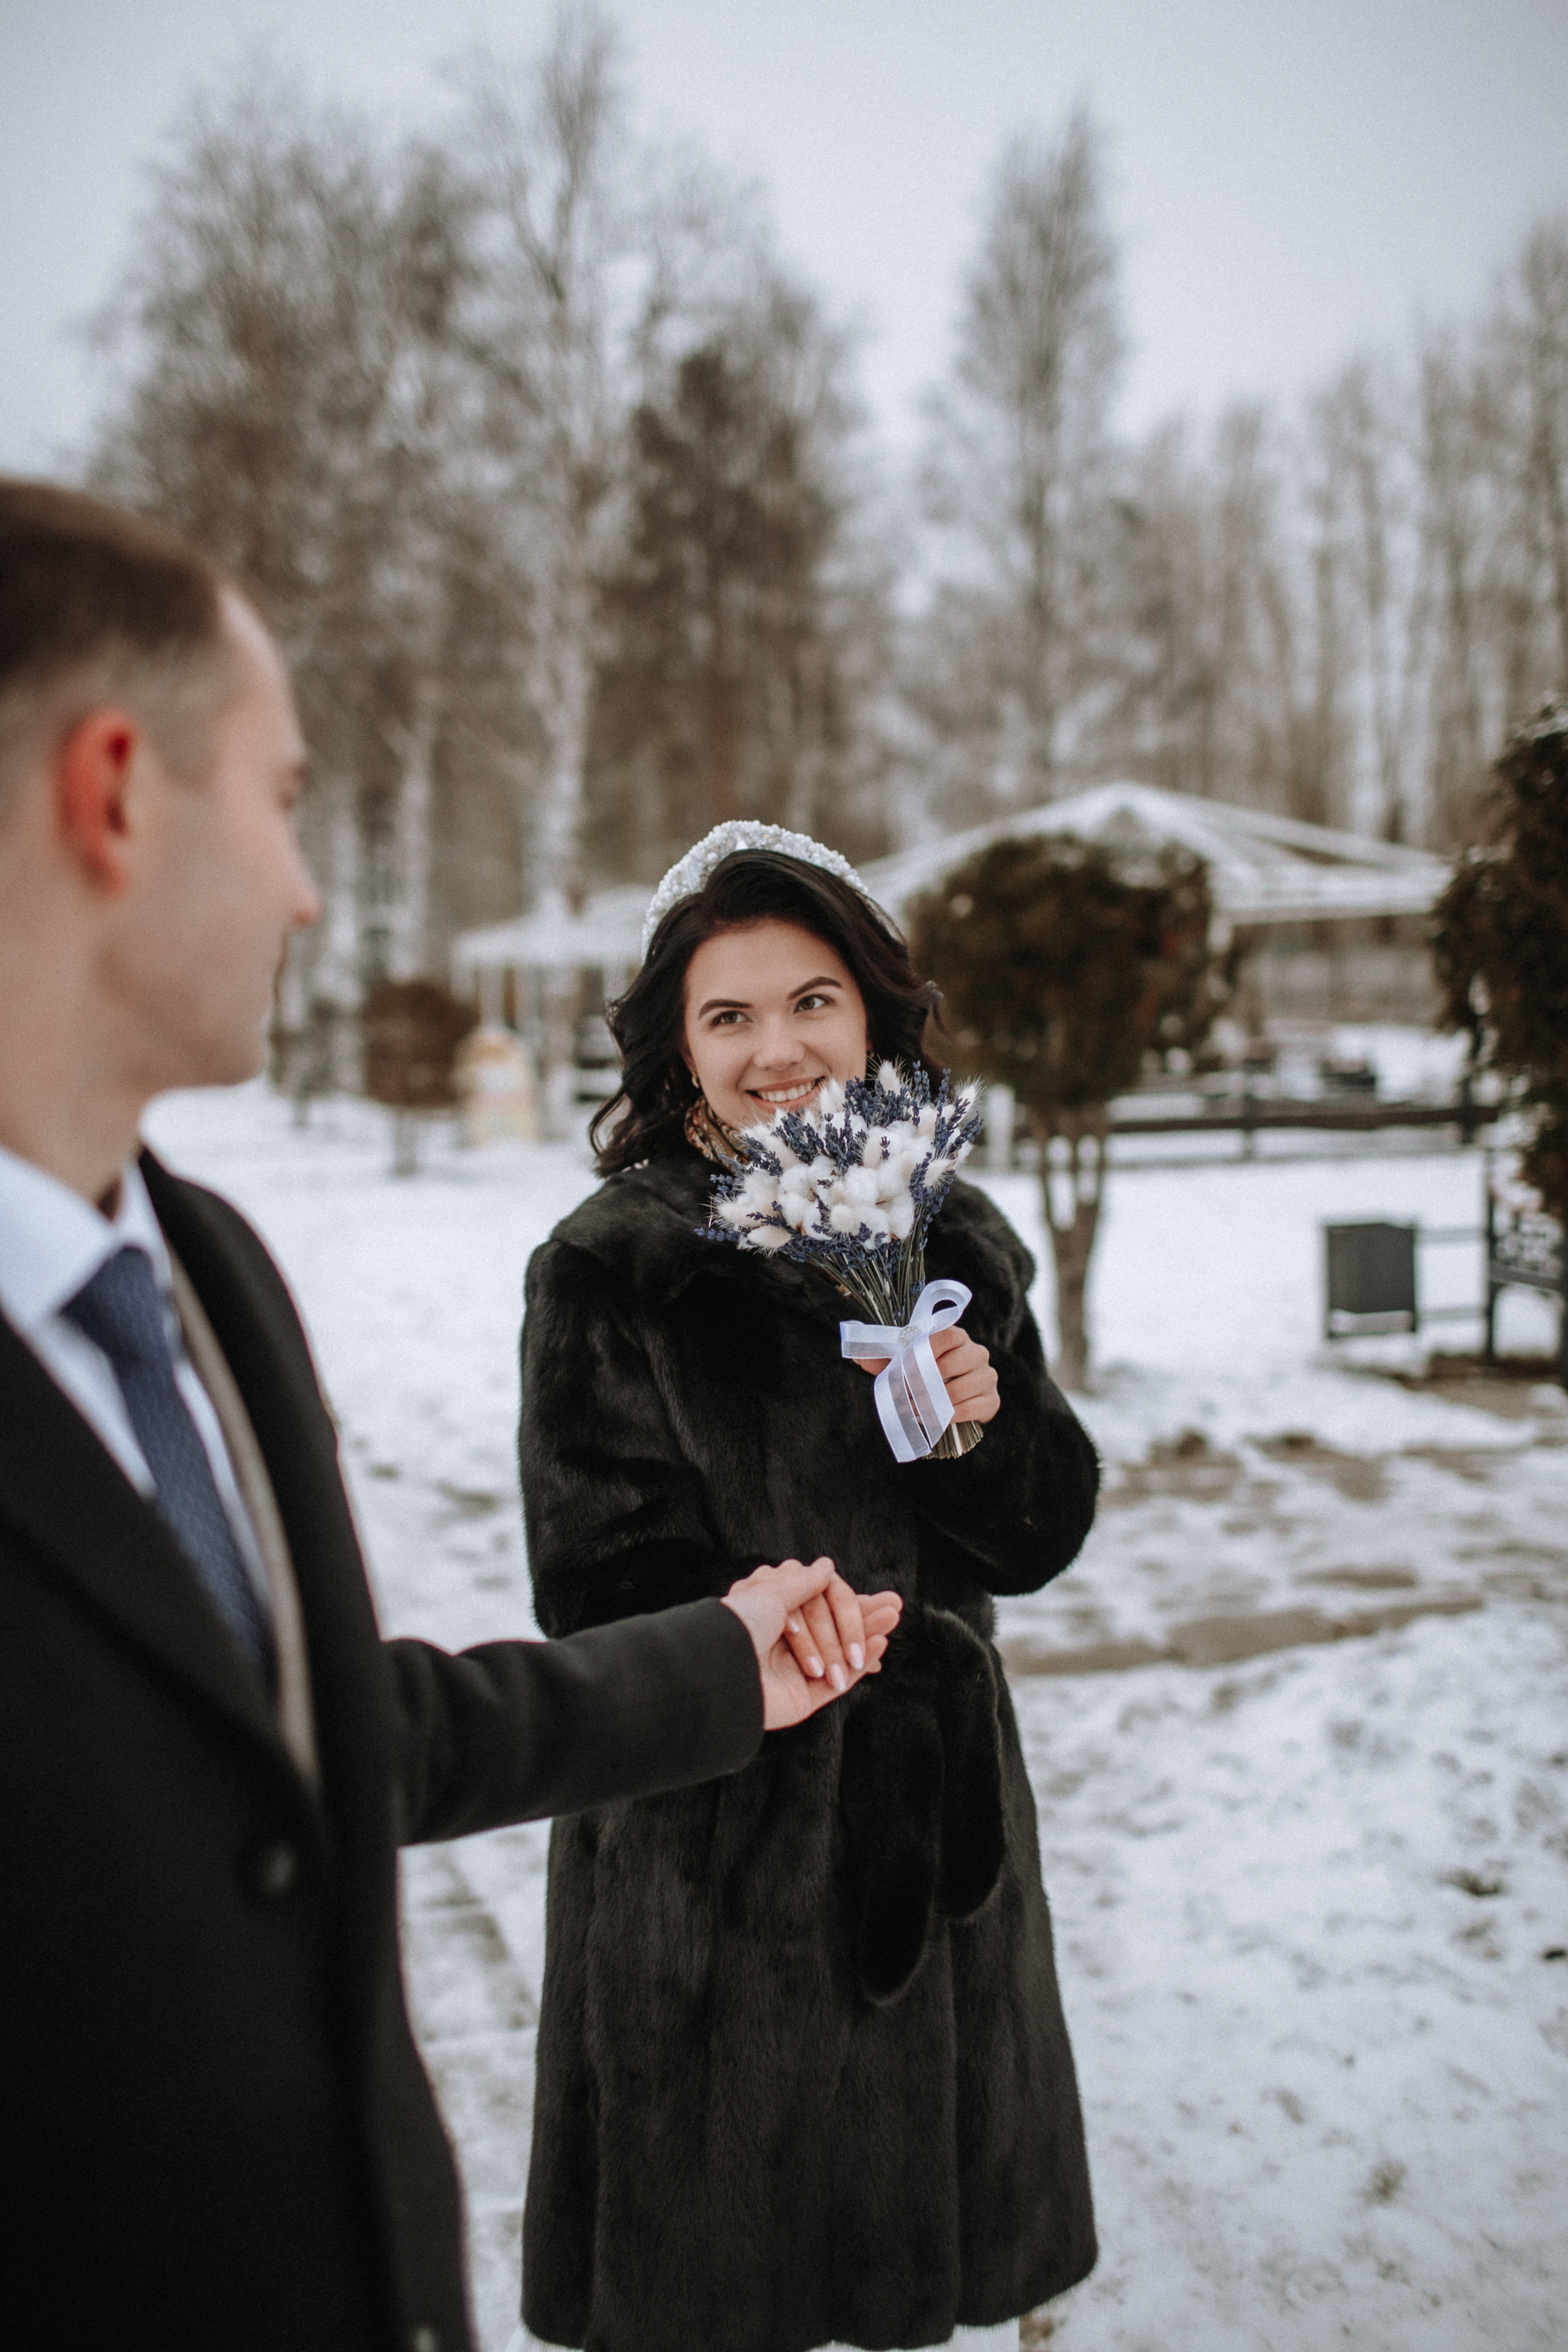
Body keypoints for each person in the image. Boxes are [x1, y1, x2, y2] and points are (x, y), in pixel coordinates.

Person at [0, 483, 901, 2352]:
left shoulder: (204, 1272)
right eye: (283, 795)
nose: (308, 888)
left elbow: (314, 1740)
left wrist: (720, 1670)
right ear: (114, 794)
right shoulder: (592, 1264)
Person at [516, 826, 1101, 2352]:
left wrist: (976, 1429)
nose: (778, 1051)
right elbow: (594, 1587)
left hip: (937, 1822)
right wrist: (785, 1629)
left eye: (813, 1001)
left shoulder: (953, 1230)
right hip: (719, 1860)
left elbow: (1033, 1535)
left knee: (920, 2256)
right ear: (676, 1045)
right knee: (731, 2270)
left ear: (876, 1013)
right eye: (728, 1016)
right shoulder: (617, 1264)